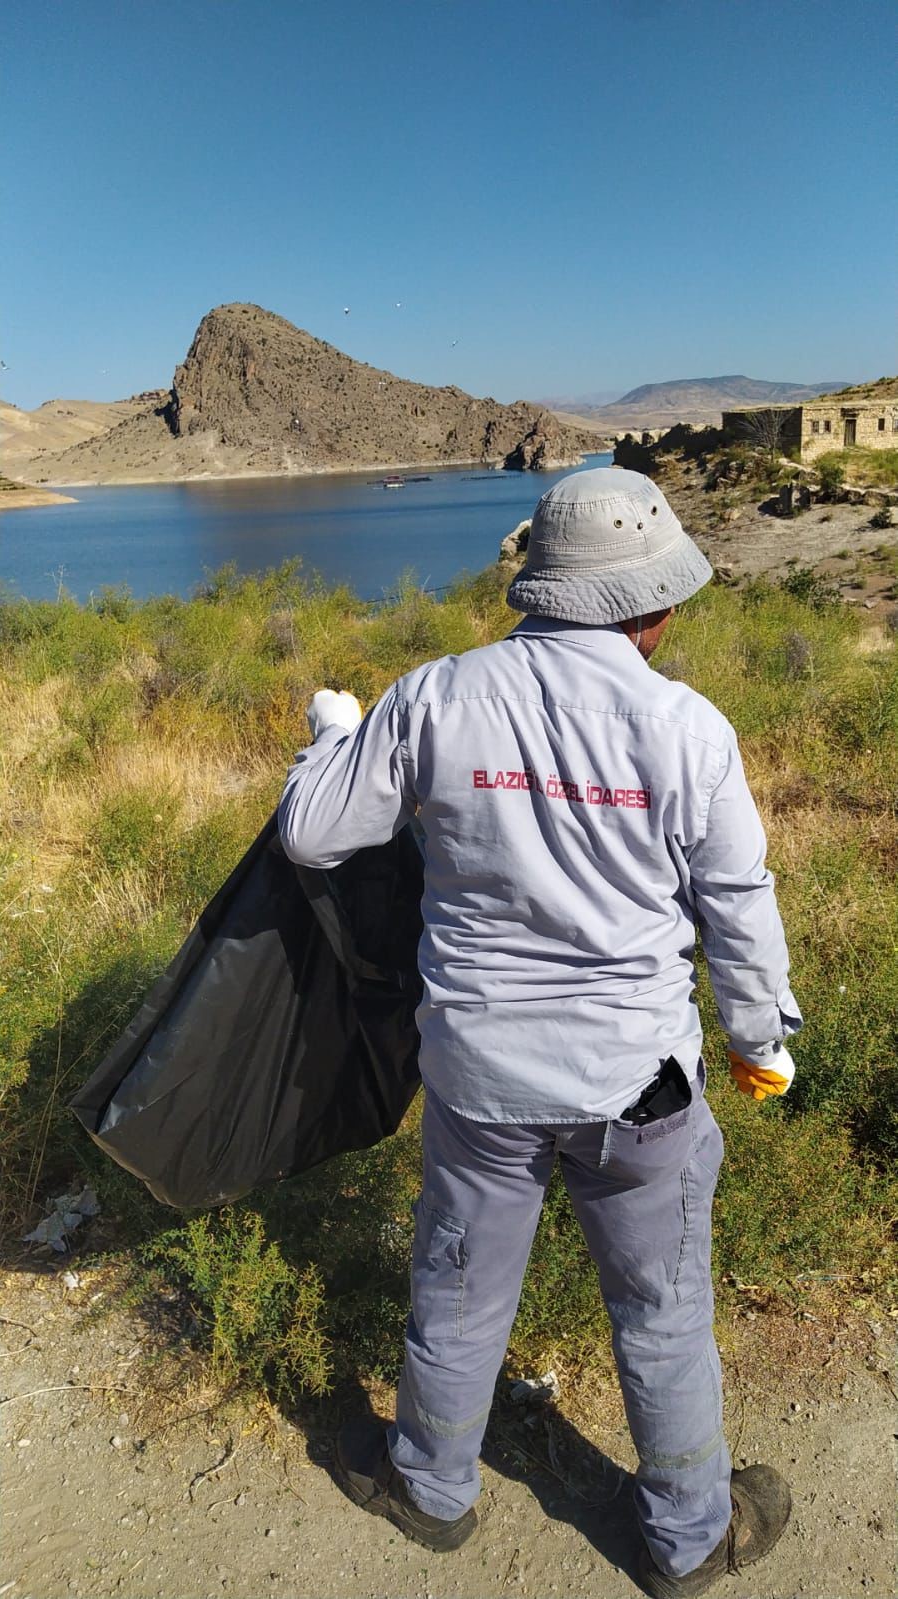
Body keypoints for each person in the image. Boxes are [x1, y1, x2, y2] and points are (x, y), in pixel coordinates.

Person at [278, 467, 801, 1598]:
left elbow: (315, 837)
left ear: (540, 593)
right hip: (638, 1085)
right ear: (653, 609)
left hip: (479, 1076)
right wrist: (760, 1038)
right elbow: (736, 902)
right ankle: (685, 1537)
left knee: (458, 1284)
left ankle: (428, 1487)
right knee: (661, 1313)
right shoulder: (685, 727)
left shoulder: (435, 697)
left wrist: (334, 734)